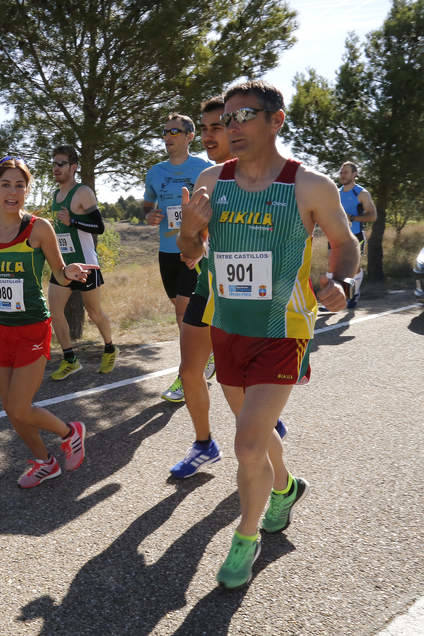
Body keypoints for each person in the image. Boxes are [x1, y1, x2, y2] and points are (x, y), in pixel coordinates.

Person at [178, 80, 360, 589]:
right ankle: (284, 488)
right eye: (226, 119)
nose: (231, 127)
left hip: (284, 332)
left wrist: (341, 281)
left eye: (244, 117)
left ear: (276, 121)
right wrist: (190, 228)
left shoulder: (310, 185)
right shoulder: (212, 180)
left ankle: (246, 536)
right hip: (227, 328)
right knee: (252, 439)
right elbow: (190, 253)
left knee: (246, 443)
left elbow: (344, 245)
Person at [0, 156, 99, 489]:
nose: (12, 192)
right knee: (11, 410)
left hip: (32, 327)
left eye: (20, 185)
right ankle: (44, 461)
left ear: (28, 190)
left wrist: (69, 273)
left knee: (20, 406)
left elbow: (59, 270)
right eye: (6, 184)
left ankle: (69, 432)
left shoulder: (38, 228)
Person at [169, 96, 288, 479]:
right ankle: (205, 444)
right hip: (211, 287)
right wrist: (191, 239)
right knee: (190, 370)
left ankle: (265, 446)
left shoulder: (258, 175)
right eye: (203, 128)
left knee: (240, 391)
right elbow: (192, 243)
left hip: (257, 298)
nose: (208, 135)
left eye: (216, 126)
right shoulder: (208, 178)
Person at [143, 114, 213, 402]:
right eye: (164, 131)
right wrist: (150, 215)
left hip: (194, 251)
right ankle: (207, 355)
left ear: (189, 136)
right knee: (182, 312)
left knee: (183, 312)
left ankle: (187, 375)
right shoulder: (155, 172)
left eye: (174, 131)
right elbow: (147, 205)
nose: (168, 136)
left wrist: (202, 246)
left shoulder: (205, 169)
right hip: (167, 250)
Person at [47, 144, 117, 380]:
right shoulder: (55, 196)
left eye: (61, 163)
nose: (56, 168)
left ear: (73, 167)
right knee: (55, 311)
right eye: (54, 163)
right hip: (64, 266)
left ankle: (109, 348)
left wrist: (73, 221)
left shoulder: (83, 192)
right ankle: (70, 359)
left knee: (95, 312)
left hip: (86, 264)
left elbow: (99, 227)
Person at [333, 161, 376, 308]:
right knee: (334, 267)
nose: (342, 175)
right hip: (336, 235)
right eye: (341, 172)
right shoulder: (336, 193)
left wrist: (352, 218)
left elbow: (372, 216)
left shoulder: (361, 193)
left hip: (356, 235)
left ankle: (353, 294)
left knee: (353, 268)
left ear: (354, 174)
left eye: (346, 172)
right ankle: (338, 299)